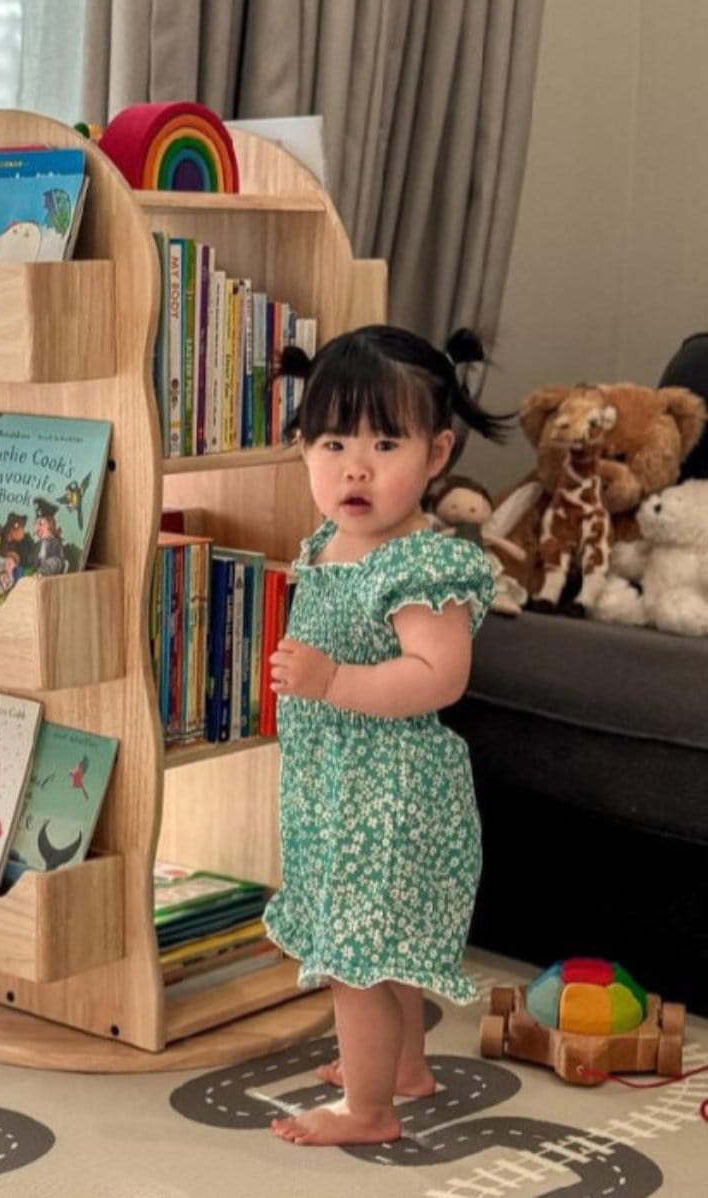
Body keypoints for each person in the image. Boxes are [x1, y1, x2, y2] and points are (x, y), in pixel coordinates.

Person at [264, 324, 510, 1148]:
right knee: (383, 945)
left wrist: (332, 681)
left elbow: (437, 675)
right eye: (333, 441)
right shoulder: (330, 544)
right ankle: (402, 1067)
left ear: (437, 454)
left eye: (385, 442)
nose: (355, 466)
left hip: (391, 793)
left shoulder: (419, 565)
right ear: (302, 449)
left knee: (356, 956)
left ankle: (369, 1110)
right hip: (336, 786)